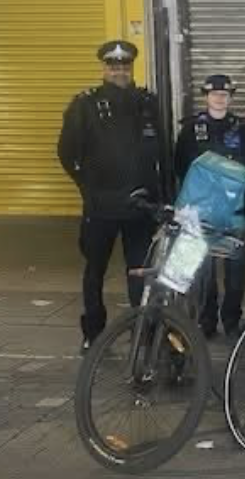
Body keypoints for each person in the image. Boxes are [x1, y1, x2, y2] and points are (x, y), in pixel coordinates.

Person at [57, 40, 162, 352]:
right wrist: (88, 188)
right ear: (104, 68)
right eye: (114, 66)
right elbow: (66, 153)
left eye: (125, 66)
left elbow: (162, 152)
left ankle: (141, 332)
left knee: (139, 273)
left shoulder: (147, 102)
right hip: (101, 206)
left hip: (140, 206)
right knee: (95, 271)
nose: (120, 71)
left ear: (131, 67)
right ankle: (93, 332)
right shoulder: (85, 104)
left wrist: (161, 198)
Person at [174, 74, 245, 339]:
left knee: (236, 271)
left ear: (230, 98)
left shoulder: (243, 129)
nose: (219, 98)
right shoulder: (191, 129)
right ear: (206, 97)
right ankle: (206, 320)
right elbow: (180, 167)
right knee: (204, 271)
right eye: (214, 94)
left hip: (234, 211)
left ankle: (231, 320)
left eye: (224, 94)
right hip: (202, 211)